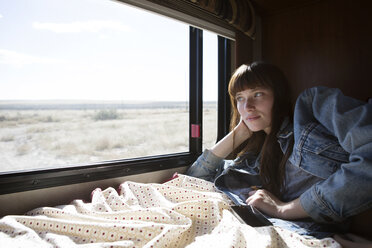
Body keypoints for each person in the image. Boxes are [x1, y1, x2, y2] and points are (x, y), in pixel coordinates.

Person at [186, 62, 372, 239]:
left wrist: (283, 209)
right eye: (240, 98)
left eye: (257, 94)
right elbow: (194, 178)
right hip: (284, 232)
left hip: (312, 236)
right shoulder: (254, 159)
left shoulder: (312, 107)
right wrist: (239, 134)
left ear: (279, 95)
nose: (247, 107)